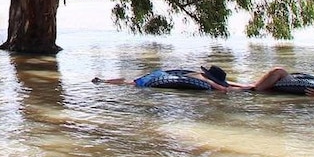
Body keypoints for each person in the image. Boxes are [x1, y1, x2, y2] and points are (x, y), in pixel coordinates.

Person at [92, 65, 245, 92]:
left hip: (160, 74)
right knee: (131, 84)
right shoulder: (201, 78)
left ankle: (104, 81)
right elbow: (222, 88)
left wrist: (247, 86)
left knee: (130, 82)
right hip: (159, 78)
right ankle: (104, 81)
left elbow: (225, 85)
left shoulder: (198, 75)